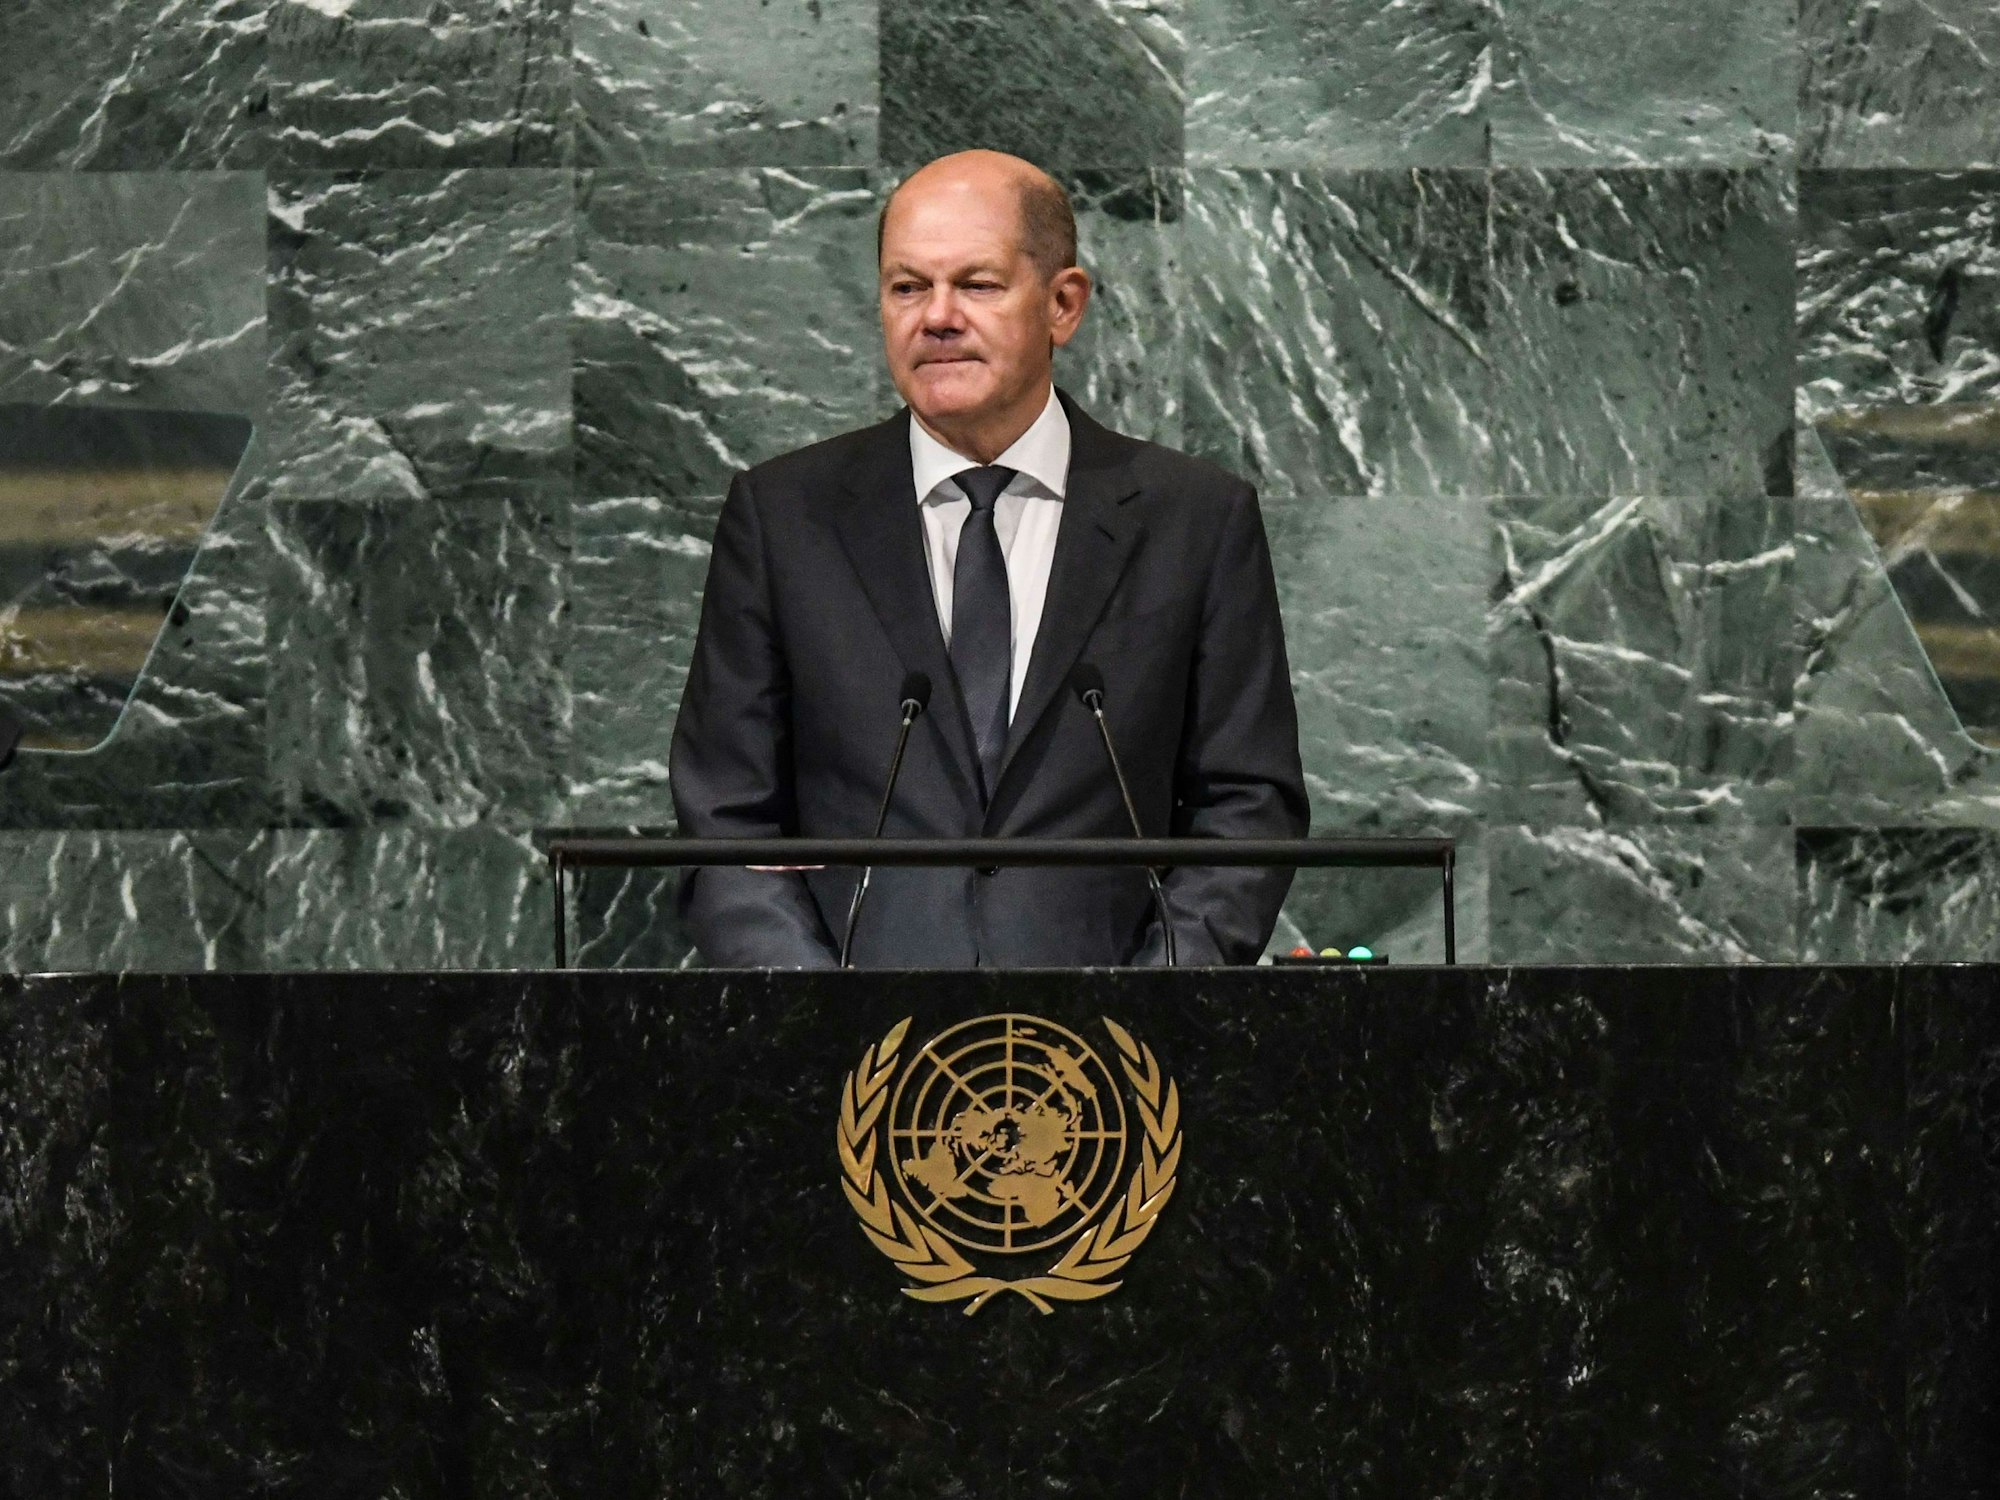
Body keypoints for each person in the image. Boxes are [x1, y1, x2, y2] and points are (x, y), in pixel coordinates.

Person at [669, 150, 1307, 967]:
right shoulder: (785, 517)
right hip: (849, 1055)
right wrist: (814, 1017)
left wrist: (1156, 1002)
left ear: (1063, 305)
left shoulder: (1194, 519)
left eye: (976, 284)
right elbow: (725, 818)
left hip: (1113, 1062)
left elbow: (1248, 805)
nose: (936, 317)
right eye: (907, 287)